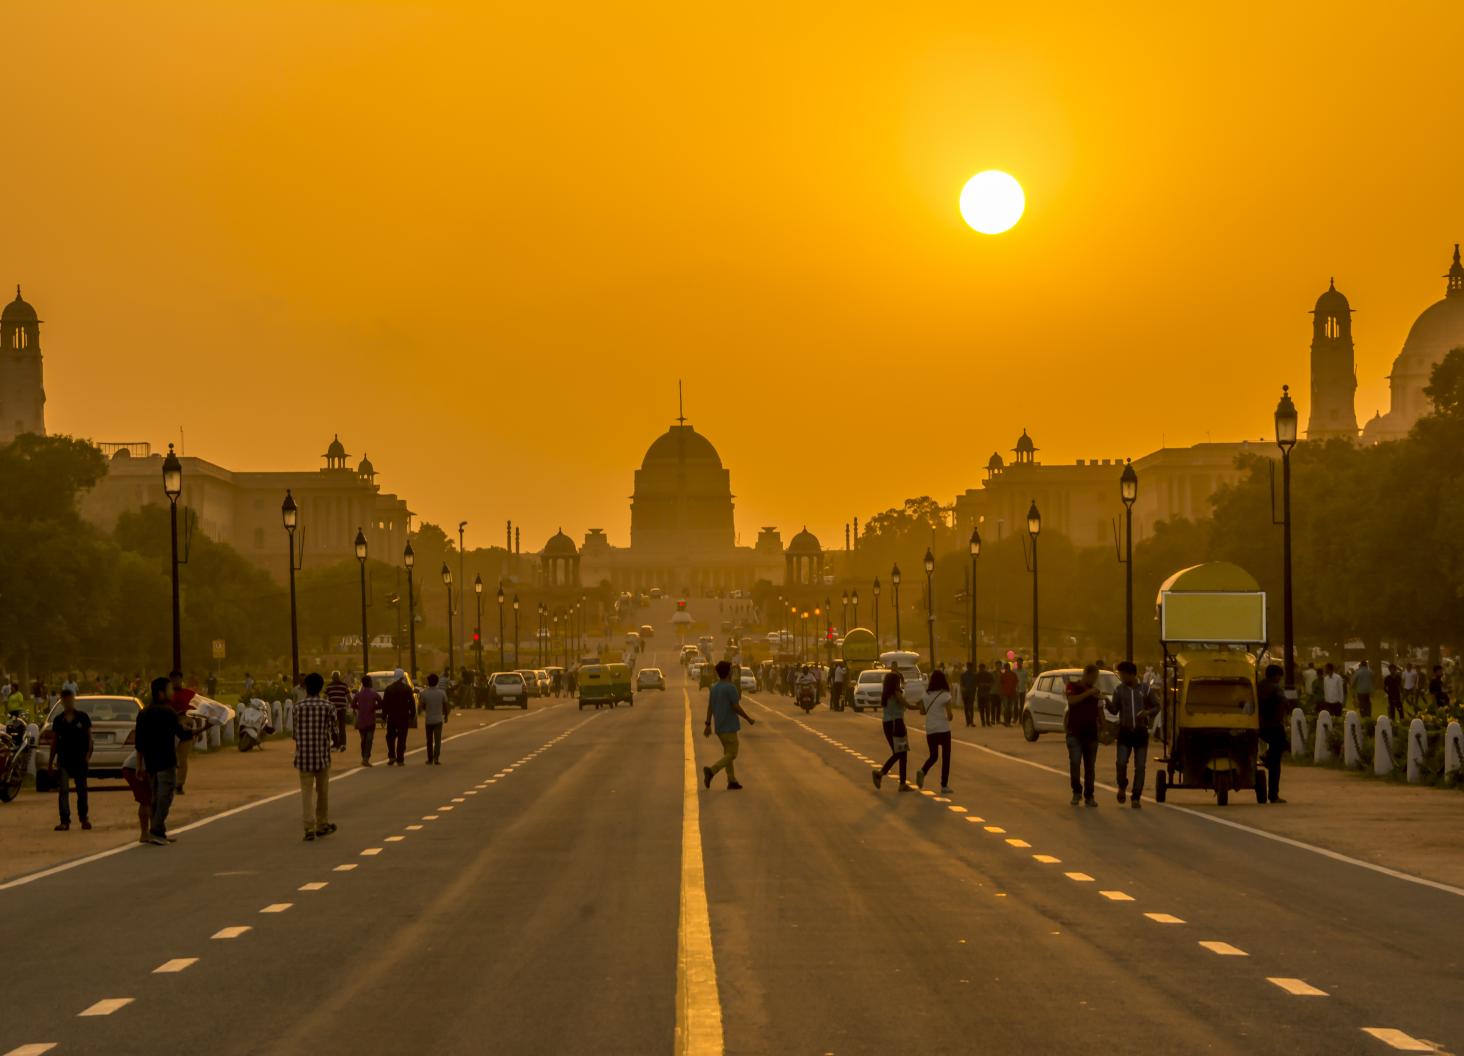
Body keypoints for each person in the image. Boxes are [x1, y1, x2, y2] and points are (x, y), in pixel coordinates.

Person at [135, 676, 194, 844]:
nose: (173, 693)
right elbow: (182, 734)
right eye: (169, 690)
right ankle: (155, 829)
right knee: (165, 797)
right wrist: (202, 727)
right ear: (161, 693)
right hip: (166, 761)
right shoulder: (168, 712)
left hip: (151, 762)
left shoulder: (144, 713)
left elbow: (139, 743)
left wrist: (140, 766)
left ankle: (159, 832)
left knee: (155, 797)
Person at [293, 672, 336, 842]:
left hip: (303, 756)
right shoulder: (328, 706)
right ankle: (322, 824)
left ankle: (308, 828)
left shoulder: (298, 707)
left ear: (306, 687)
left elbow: (295, 734)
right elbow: (335, 732)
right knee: (322, 792)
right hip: (322, 756)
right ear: (320, 688)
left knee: (306, 793)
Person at [1110, 661, 1157, 808]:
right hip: (1125, 731)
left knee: (1141, 766)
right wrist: (1105, 702)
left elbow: (1157, 706)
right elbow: (1114, 710)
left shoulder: (1145, 689)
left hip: (1140, 732)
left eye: (1122, 674)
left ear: (1131, 674)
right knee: (1121, 762)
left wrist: (1147, 712)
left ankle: (1136, 796)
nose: (1121, 677)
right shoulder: (1119, 690)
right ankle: (1122, 786)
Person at [702, 660, 754, 790]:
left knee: (727, 753)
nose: (732, 672)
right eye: (730, 670)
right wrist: (748, 718)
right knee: (733, 753)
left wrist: (708, 724)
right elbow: (735, 706)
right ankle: (712, 771)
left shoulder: (714, 687)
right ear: (727, 672)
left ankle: (732, 780)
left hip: (719, 726)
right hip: (729, 726)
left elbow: (710, 707)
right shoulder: (730, 687)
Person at [47, 688, 93, 831]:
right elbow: (54, 742)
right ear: (62, 702)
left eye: (70, 700)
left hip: (80, 759)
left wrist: (87, 756)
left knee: (81, 790)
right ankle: (65, 820)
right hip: (64, 760)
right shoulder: (58, 720)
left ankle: (84, 818)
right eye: (65, 701)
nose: (68, 703)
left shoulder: (83, 717)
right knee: (64, 790)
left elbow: (90, 739)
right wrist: (50, 763)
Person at [1065, 665, 1103, 807]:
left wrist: (1105, 729)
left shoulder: (1096, 692)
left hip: (1091, 734)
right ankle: (1076, 792)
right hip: (1075, 733)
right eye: (1093, 677)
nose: (1094, 680)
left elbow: (1100, 711)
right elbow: (1072, 700)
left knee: (1090, 768)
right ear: (1086, 675)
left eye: (1096, 678)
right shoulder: (1073, 686)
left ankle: (1089, 795)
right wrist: (1089, 693)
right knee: (1075, 763)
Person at [916, 669, 955, 793]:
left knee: (933, 756)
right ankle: (944, 785)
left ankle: (923, 770)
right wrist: (948, 715)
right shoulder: (945, 694)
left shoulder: (925, 695)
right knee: (946, 757)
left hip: (930, 729)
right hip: (943, 729)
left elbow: (922, 712)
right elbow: (950, 716)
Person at [872, 669, 912, 790]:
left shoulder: (886, 693)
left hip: (888, 723)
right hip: (897, 723)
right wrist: (920, 706)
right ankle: (883, 774)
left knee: (899, 753)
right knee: (901, 753)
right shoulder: (896, 692)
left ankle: (901, 782)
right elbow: (906, 704)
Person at [1257, 663, 1287, 804]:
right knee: (1276, 762)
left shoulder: (1258, 686)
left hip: (1258, 726)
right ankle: (1273, 795)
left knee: (1274, 754)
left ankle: (1266, 756)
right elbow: (1282, 705)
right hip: (1274, 727)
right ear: (1276, 676)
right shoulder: (1276, 689)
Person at [168, 670, 197, 795]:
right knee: (170, 759)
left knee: (183, 759)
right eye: (173, 679)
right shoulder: (166, 695)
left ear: (181, 680)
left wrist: (198, 728)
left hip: (185, 727)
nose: (176, 682)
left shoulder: (189, 694)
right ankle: (170, 782)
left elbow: (197, 710)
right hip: (170, 728)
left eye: (177, 679)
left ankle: (179, 784)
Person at [381, 670, 415, 766]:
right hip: (403, 717)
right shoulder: (407, 689)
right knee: (402, 738)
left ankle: (392, 756)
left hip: (392, 717)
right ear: (402, 677)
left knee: (390, 737)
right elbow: (412, 703)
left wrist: (384, 717)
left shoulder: (389, 689)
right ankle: (400, 759)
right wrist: (412, 715)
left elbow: (385, 704)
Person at [121, 750, 151, 844]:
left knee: (150, 799)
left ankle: (152, 831)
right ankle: (145, 833)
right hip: (134, 768)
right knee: (146, 800)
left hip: (133, 767)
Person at [352, 675, 382, 766]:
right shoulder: (374, 693)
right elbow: (381, 703)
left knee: (364, 740)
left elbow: (353, 704)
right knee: (368, 740)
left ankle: (364, 758)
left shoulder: (359, 694)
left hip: (361, 720)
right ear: (369, 683)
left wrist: (360, 708)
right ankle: (365, 758)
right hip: (370, 720)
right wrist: (374, 708)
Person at [419, 673, 449, 765]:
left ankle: (430, 758)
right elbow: (445, 706)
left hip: (429, 720)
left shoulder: (424, 693)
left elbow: (422, 706)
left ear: (428, 682)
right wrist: (446, 716)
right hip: (438, 720)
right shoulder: (442, 693)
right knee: (437, 740)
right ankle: (436, 758)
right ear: (437, 682)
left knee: (429, 741)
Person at [325, 672, 351, 752]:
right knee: (333, 727)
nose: (335, 678)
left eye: (336, 677)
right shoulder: (329, 686)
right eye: (334, 677)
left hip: (341, 709)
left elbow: (348, 696)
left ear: (338, 677)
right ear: (332, 677)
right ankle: (336, 743)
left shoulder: (343, 685)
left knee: (341, 727)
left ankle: (342, 744)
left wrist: (352, 705)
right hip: (332, 710)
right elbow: (325, 697)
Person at [998, 662, 1018, 727]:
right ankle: (1007, 722)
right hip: (1006, 694)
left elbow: (1016, 684)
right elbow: (1001, 685)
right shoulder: (1005, 675)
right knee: (1007, 708)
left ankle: (1007, 721)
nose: (1006, 669)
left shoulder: (1012, 675)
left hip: (1010, 693)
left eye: (1007, 667)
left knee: (1008, 708)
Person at [975, 662, 995, 726]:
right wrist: (987, 685)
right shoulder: (986, 674)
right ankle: (986, 721)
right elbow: (992, 682)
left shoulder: (979, 675)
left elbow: (992, 682)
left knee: (983, 708)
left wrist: (985, 685)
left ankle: (984, 722)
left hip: (983, 693)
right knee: (986, 708)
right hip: (985, 693)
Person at [959, 663, 978, 728]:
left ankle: (969, 721)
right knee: (969, 708)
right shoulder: (973, 675)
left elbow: (962, 685)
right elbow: (962, 685)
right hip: (969, 693)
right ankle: (970, 721)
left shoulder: (964, 675)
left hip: (968, 693)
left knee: (968, 708)